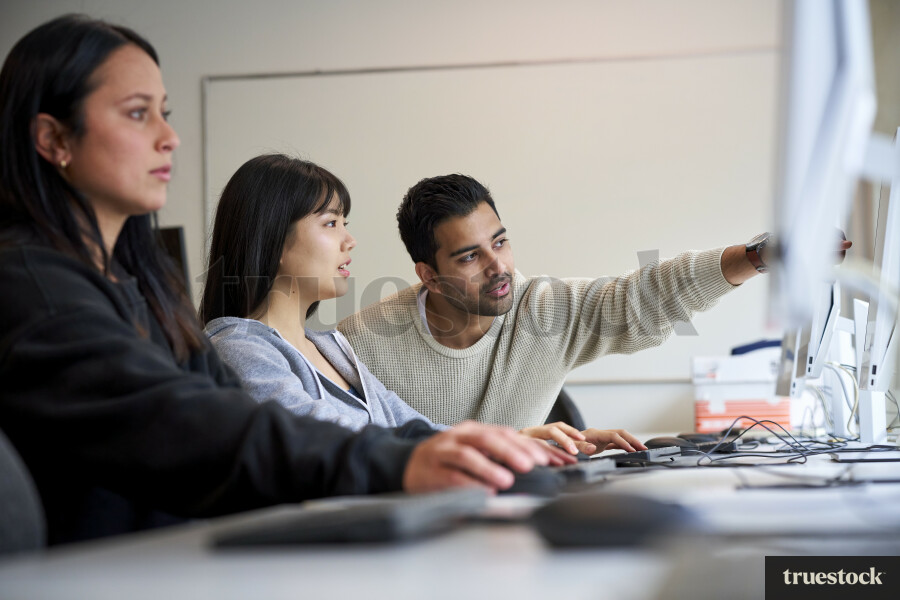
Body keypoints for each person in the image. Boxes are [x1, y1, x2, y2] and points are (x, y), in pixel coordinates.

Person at [0, 15, 568, 546]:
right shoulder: (32, 288)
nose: (169, 137)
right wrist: (405, 464)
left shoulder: (142, 289)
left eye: (164, 113)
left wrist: (487, 447)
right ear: (54, 139)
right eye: (136, 113)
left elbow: (252, 416)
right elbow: (193, 427)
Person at [200, 154, 644, 456]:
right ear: (273, 240)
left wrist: (529, 442)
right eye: (331, 223)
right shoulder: (240, 347)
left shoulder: (330, 347)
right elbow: (331, 444)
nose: (349, 240)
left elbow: (412, 430)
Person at [338, 174, 849, 429]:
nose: (499, 267)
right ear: (429, 276)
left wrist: (760, 256)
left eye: (501, 242)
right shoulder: (362, 346)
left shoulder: (541, 308)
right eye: (470, 256)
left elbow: (646, 296)